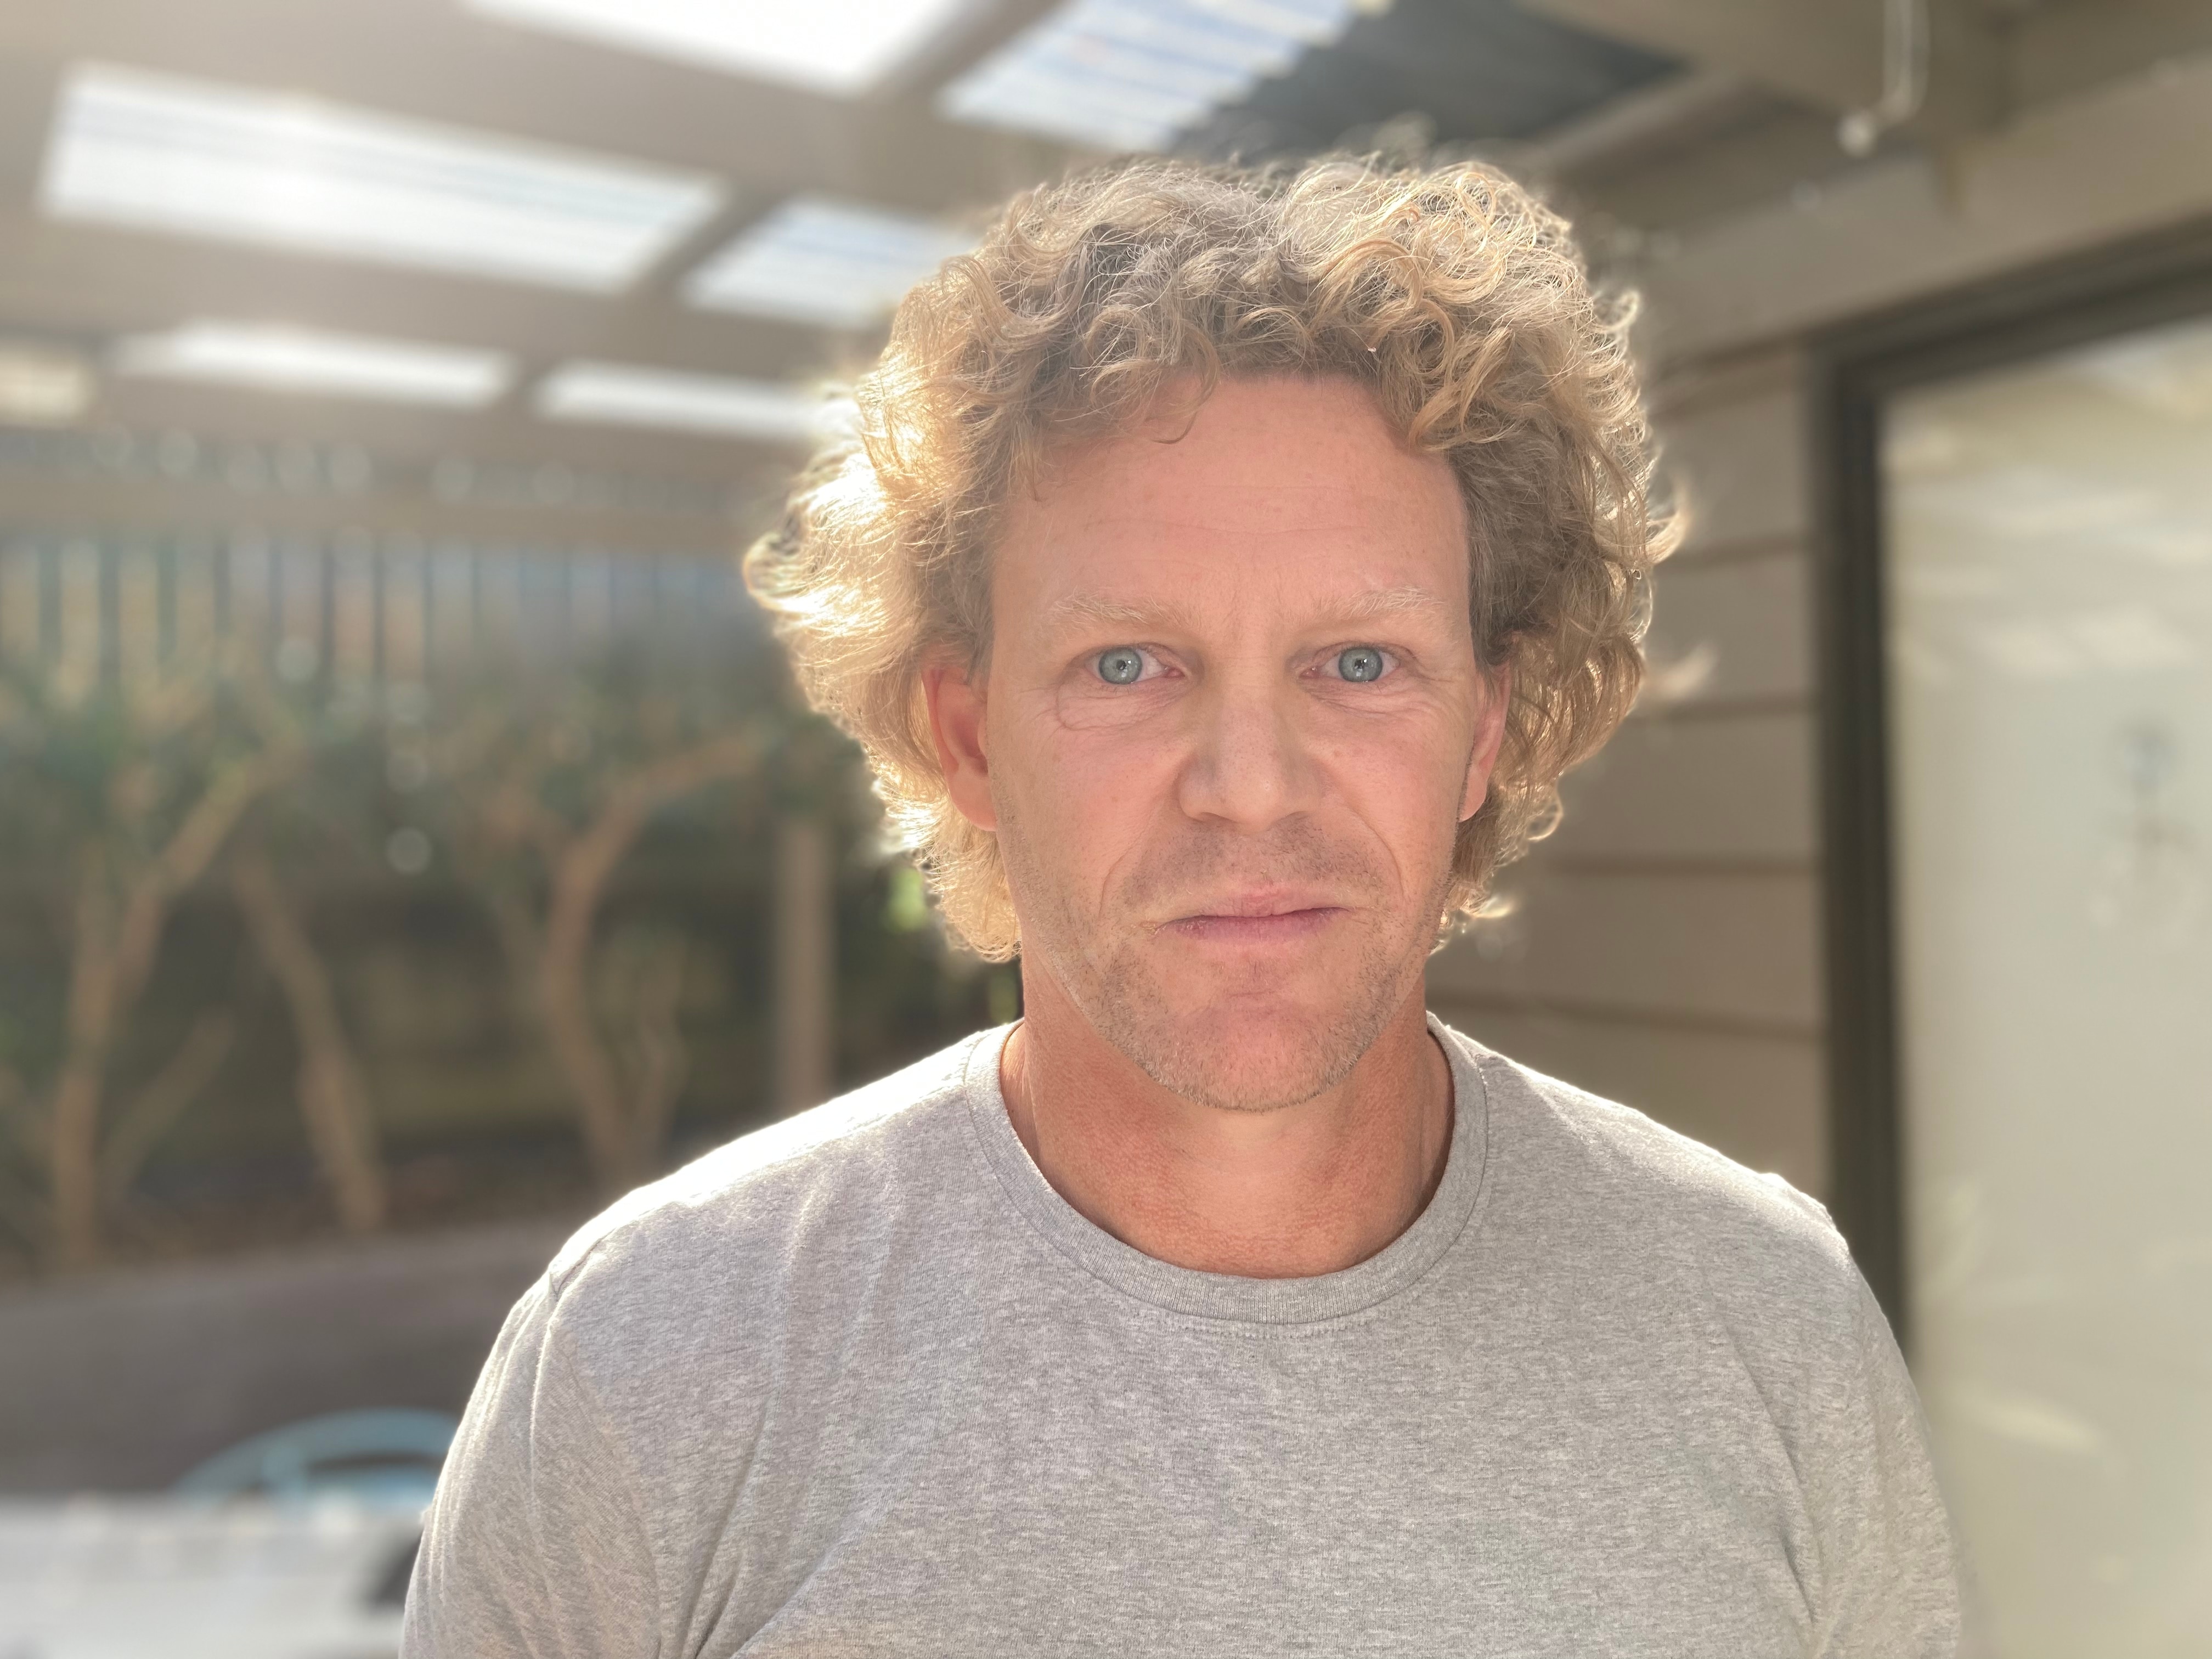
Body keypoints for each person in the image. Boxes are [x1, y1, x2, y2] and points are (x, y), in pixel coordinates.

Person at [403, 158, 1960, 1657]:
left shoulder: (1768, 1324)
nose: (1251, 786)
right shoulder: (652, 1361)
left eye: (1358, 663)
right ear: (968, 735)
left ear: (1484, 724)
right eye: (1131, 665)